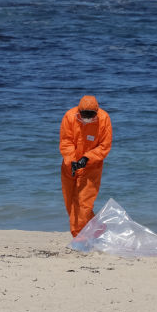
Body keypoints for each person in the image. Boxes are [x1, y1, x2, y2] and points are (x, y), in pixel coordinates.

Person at [59, 95, 113, 237]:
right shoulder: (69, 117)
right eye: (85, 115)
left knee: (83, 205)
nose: (88, 118)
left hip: (91, 167)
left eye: (91, 115)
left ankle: (80, 238)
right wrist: (72, 161)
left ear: (96, 112)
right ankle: (97, 229)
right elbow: (66, 141)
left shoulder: (104, 118)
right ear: (79, 112)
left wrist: (87, 158)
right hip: (70, 166)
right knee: (70, 204)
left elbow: (104, 146)